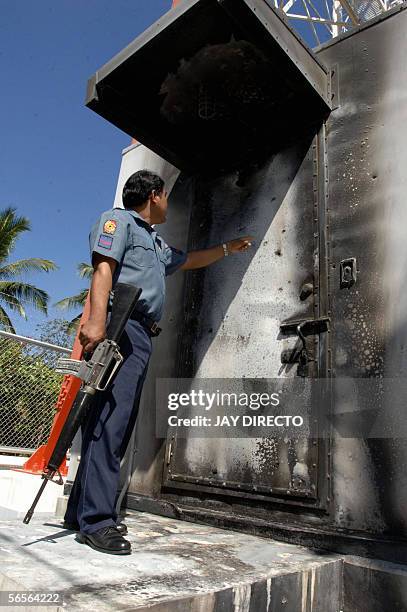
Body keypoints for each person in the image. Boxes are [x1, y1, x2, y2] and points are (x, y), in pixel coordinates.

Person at [63, 169, 254, 555]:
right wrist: (96, 320)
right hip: (123, 327)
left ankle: (79, 512)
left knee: (112, 421)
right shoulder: (118, 221)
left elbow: (187, 261)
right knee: (111, 423)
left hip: (141, 333)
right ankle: (97, 522)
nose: (168, 203)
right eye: (165, 197)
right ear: (155, 194)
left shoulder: (153, 241)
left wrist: (228, 249)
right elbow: (103, 269)